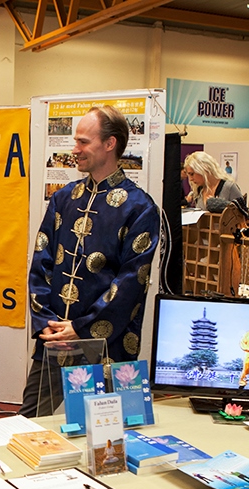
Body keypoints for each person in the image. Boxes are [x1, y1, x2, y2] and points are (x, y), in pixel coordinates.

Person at [18, 105, 160, 417]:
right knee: (28, 424)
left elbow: (131, 285)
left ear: (110, 144)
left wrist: (81, 328)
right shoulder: (63, 198)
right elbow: (41, 263)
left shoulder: (140, 208)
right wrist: (47, 325)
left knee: (111, 438)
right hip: (53, 340)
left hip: (108, 347)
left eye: (83, 142)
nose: (75, 149)